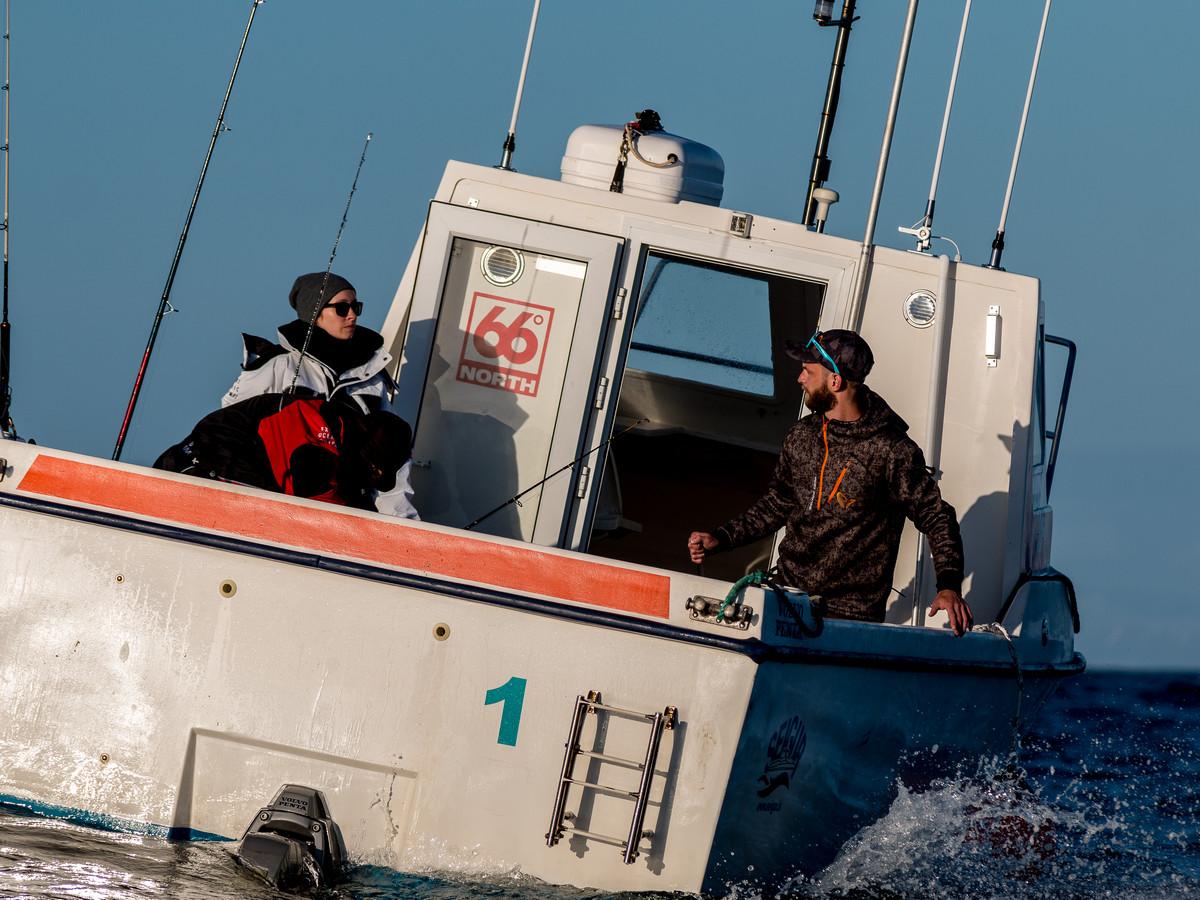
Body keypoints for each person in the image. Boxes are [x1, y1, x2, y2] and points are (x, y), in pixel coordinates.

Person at [687, 329, 973, 635]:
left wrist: (949, 586)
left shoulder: (893, 451)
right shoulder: (801, 435)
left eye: (808, 371)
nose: (800, 379)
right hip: (785, 598)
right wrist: (723, 538)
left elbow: (937, 517)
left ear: (835, 381)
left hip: (850, 617)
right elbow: (777, 503)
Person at [222, 271, 418, 518]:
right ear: (314, 313)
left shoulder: (373, 379)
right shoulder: (279, 365)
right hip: (272, 504)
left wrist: (401, 523)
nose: (352, 315)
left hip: (346, 511)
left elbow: (391, 457)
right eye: (342, 308)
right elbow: (232, 427)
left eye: (356, 307)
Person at [154, 393, 413, 511]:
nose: (373, 479)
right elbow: (317, 503)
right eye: (375, 471)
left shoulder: (345, 444)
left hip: (229, 469)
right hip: (203, 468)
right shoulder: (319, 437)